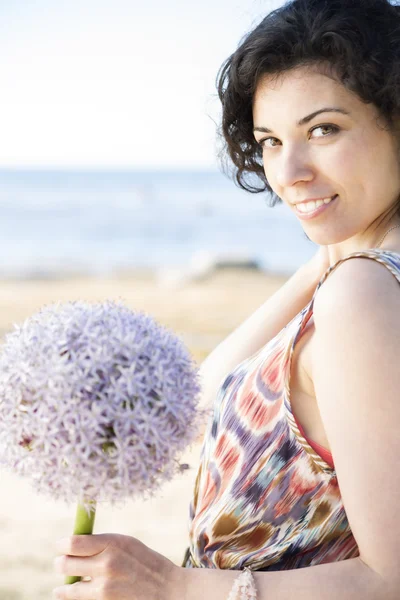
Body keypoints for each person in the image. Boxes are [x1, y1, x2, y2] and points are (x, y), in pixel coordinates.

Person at [52, 0, 400, 598]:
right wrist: (328, 255)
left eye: (323, 129)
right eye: (269, 140)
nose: (288, 172)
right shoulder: (354, 274)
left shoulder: (362, 294)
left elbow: (391, 576)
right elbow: (206, 396)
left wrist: (171, 586)